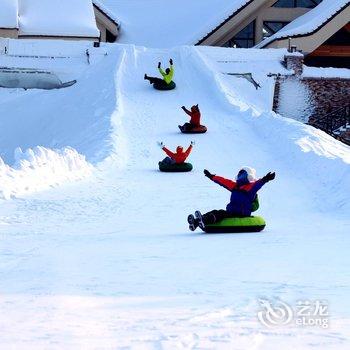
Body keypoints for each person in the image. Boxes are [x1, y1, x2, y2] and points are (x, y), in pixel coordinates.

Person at [188, 167, 276, 231]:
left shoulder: (250, 188)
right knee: (216, 211)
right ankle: (197, 221)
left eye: (241, 173)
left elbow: (258, 184)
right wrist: (212, 177)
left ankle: (204, 220)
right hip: (231, 211)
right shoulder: (235, 186)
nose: (239, 175)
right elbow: (223, 181)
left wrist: (266, 179)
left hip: (242, 214)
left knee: (220, 214)